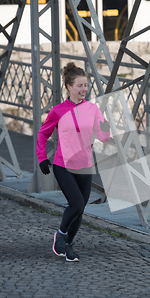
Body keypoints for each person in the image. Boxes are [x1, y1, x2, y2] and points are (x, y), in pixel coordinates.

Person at [36, 62, 111, 262]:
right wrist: (42, 158)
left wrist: (106, 127)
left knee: (80, 209)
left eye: (86, 85)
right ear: (69, 87)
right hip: (64, 165)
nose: (84, 89)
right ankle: (60, 237)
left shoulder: (93, 109)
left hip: (85, 165)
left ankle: (66, 245)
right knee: (76, 204)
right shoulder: (58, 111)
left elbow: (103, 137)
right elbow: (43, 134)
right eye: (80, 86)